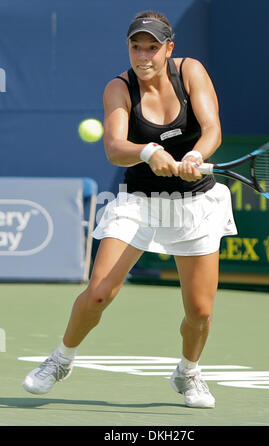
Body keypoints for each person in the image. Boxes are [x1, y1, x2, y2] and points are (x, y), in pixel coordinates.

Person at [22, 10, 237, 408]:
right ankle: (61, 358)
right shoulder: (118, 88)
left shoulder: (190, 71)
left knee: (200, 311)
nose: (143, 56)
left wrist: (194, 154)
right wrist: (149, 150)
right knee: (100, 292)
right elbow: (114, 149)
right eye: (136, 46)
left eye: (152, 47)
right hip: (139, 204)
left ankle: (188, 372)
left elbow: (213, 129)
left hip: (196, 206)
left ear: (168, 48)